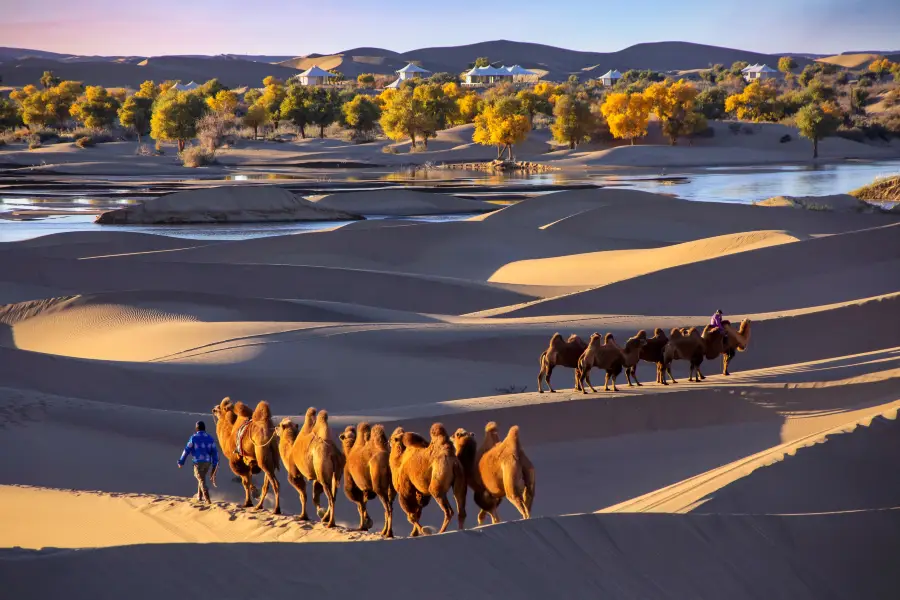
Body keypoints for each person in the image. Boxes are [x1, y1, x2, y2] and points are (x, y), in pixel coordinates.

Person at [178, 420, 219, 503]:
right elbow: (215, 452)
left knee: (201, 479)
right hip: (207, 463)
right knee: (201, 478)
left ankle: (207, 498)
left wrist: (181, 462)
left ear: (196, 428)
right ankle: (199, 497)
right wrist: (215, 464)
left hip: (198, 462)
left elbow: (186, 450)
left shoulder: (193, 438)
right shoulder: (210, 438)